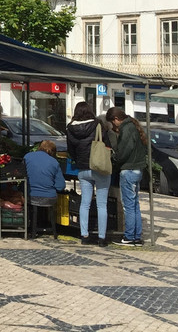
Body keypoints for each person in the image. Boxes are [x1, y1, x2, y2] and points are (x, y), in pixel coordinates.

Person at [66, 101, 109, 246]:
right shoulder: (98, 125)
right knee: (102, 204)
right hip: (99, 167)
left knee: (85, 203)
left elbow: (70, 150)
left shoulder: (70, 128)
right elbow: (107, 144)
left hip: (83, 169)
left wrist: (78, 159)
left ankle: (84, 235)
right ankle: (102, 238)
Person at [109, 108, 147, 247]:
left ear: (116, 119)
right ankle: (136, 236)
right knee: (135, 204)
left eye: (113, 123)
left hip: (129, 170)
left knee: (129, 206)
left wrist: (114, 156)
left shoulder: (127, 129)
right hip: (137, 170)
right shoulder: (134, 126)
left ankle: (130, 236)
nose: (114, 127)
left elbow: (124, 151)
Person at [24, 139, 66, 237]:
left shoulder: (28, 156)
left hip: (31, 195)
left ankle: (32, 228)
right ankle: (51, 228)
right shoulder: (54, 162)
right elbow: (61, 186)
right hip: (49, 198)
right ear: (52, 151)